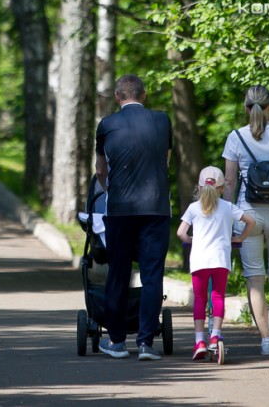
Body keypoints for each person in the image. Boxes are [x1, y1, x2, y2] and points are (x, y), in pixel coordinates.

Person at [95, 74, 172, 361]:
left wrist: (110, 191)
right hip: (155, 207)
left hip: (120, 210)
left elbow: (101, 170)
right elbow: (165, 162)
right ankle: (146, 343)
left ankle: (116, 342)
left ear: (117, 97)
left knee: (119, 272)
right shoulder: (163, 121)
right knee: (152, 275)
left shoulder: (107, 125)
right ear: (144, 95)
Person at [222, 85, 269, 355]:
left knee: (255, 278)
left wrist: (228, 215)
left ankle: (266, 339)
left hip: (248, 213)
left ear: (246, 108)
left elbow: (229, 181)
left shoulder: (235, 137)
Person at [177, 166, 256, 361]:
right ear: (221, 188)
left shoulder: (193, 208)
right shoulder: (228, 207)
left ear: (199, 187)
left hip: (199, 260)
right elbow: (251, 222)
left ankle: (199, 341)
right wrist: (239, 238)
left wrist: (191, 240)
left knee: (200, 299)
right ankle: (215, 336)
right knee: (218, 296)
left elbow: (180, 233)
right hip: (221, 259)